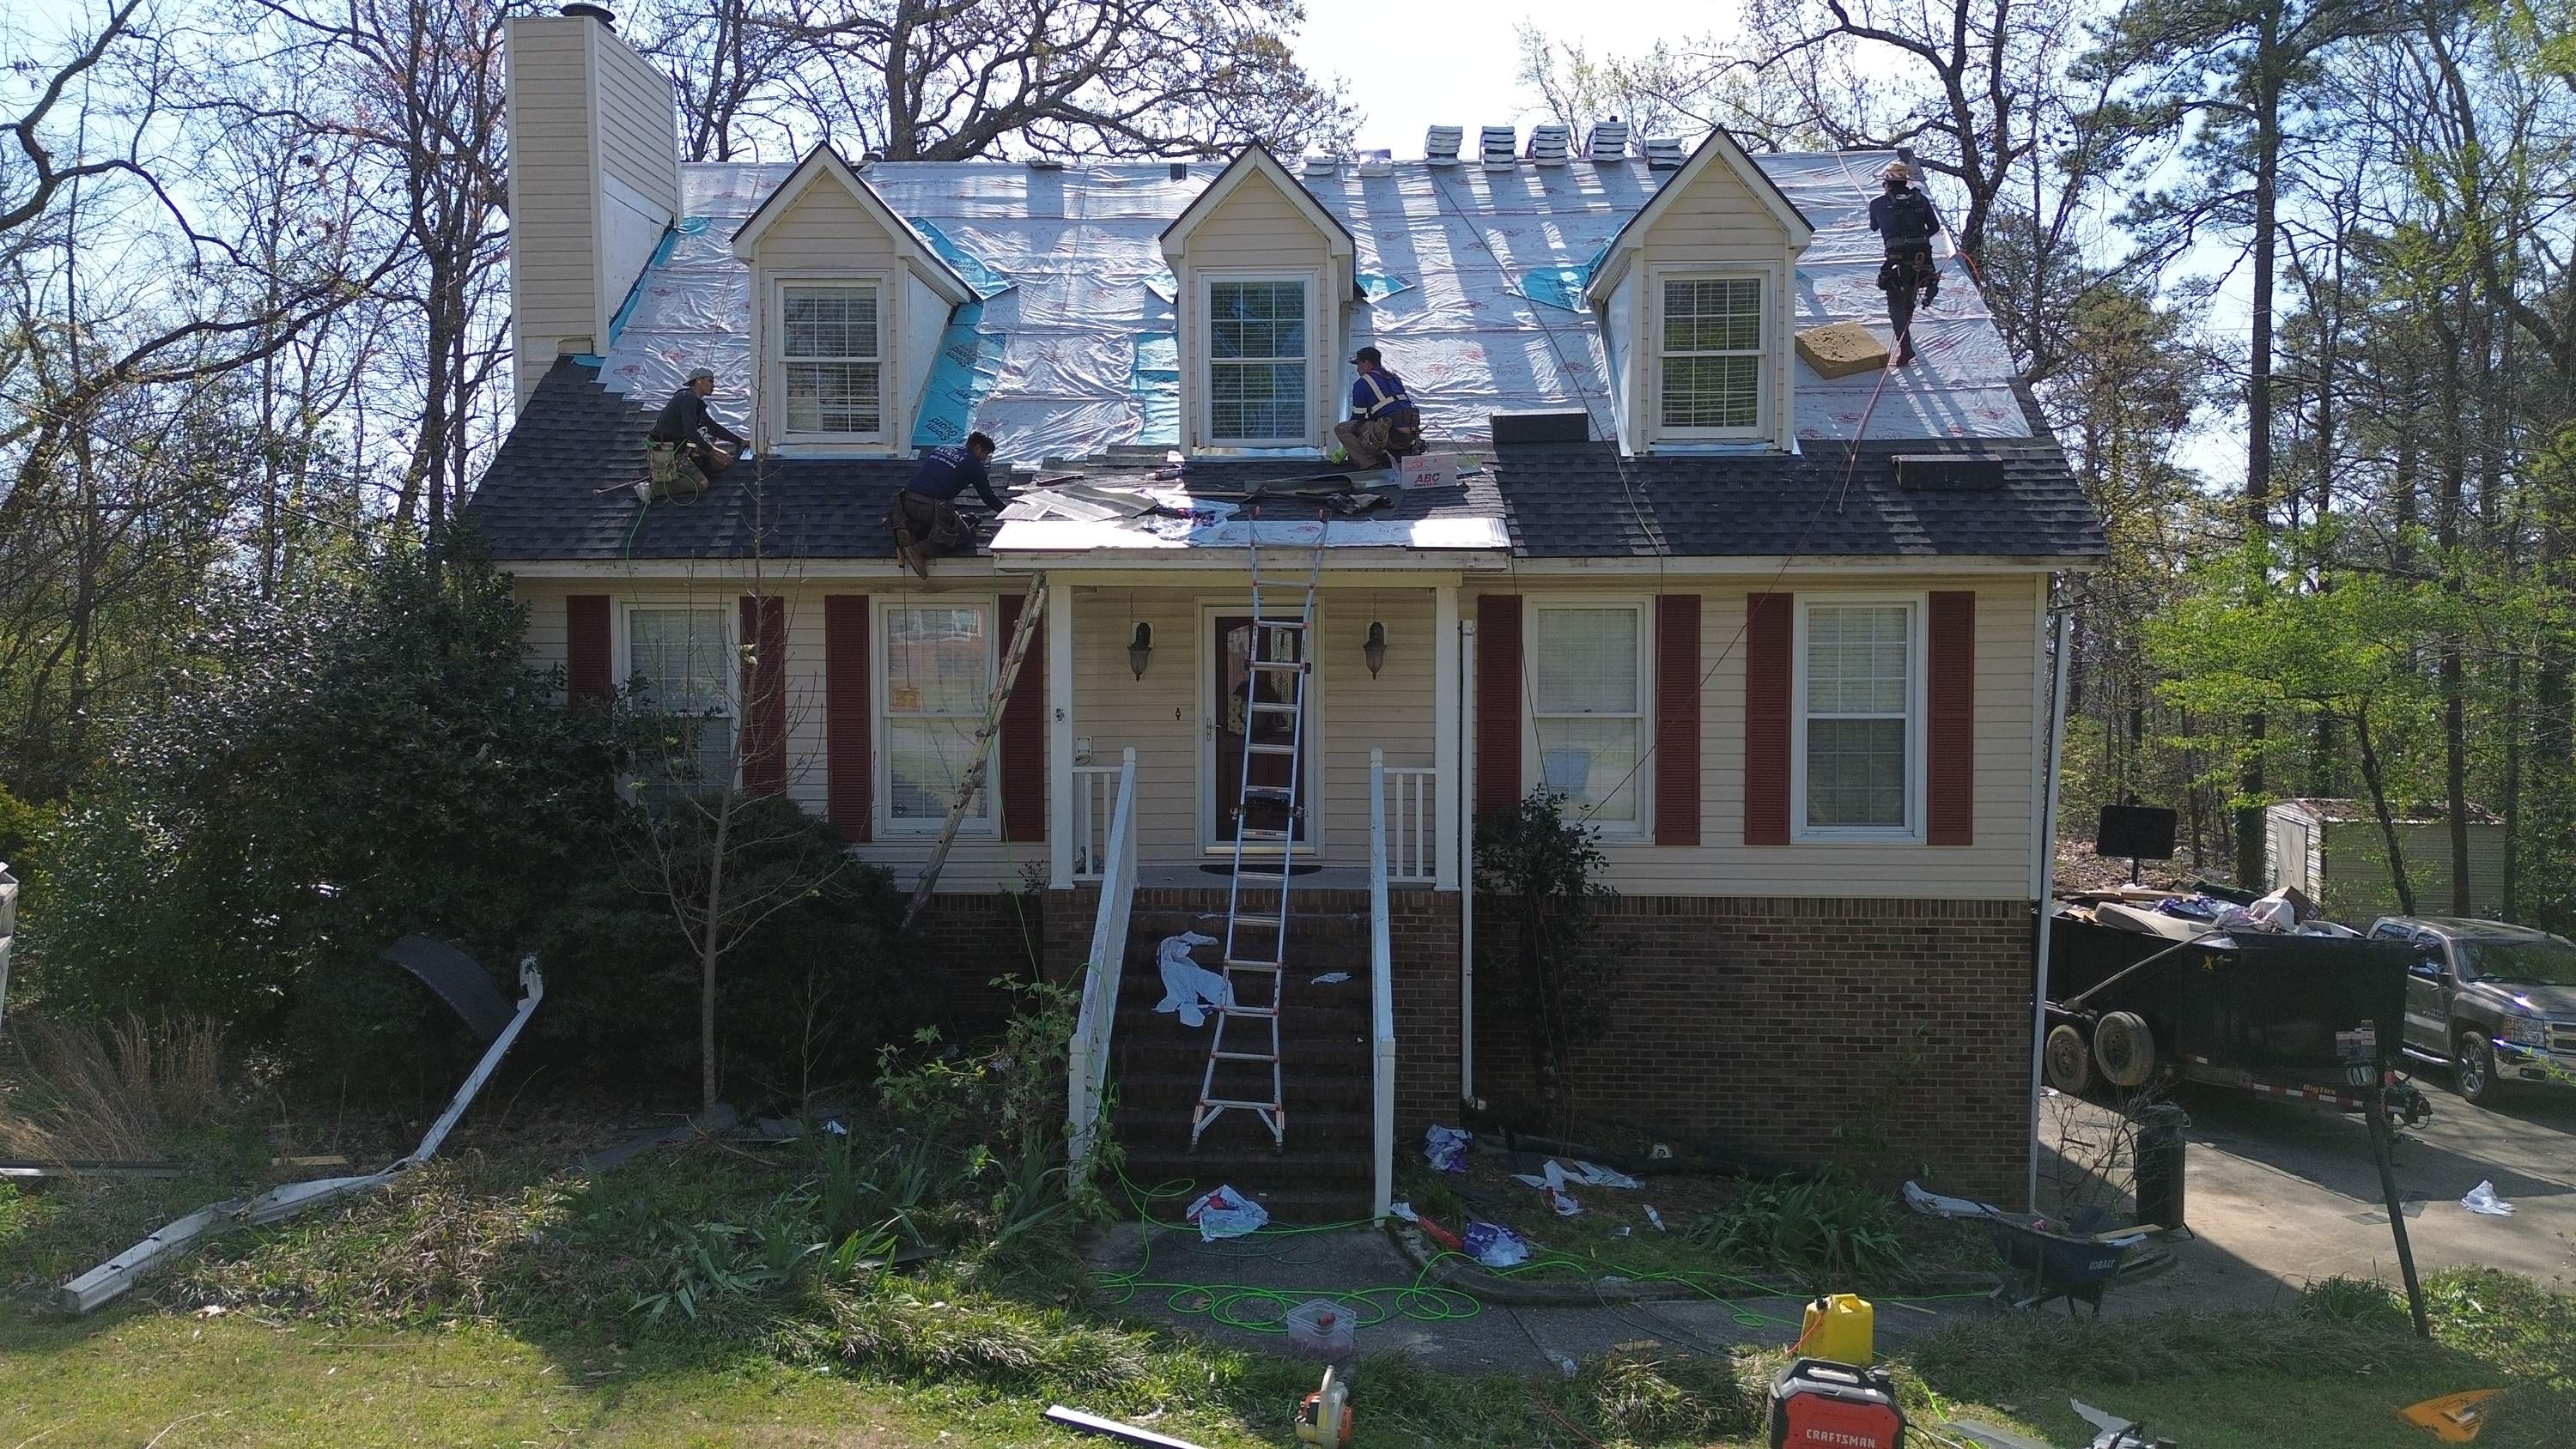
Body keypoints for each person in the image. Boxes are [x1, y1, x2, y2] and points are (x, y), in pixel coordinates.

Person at [884, 431, 1005, 579]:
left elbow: (936, 476)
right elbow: (988, 498)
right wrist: (1009, 513)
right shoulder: (974, 466)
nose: (985, 459)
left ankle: (911, 531)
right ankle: (919, 550)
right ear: (978, 448)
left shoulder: (942, 448)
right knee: (962, 535)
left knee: (930, 524)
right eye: (985, 454)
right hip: (930, 508)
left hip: (905, 502)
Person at [1868, 161, 1942, 367]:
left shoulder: (1878, 203)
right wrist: (1917, 237)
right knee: (1910, 294)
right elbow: (1934, 227)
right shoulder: (1921, 199)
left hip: (1897, 261)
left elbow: (1874, 226)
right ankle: (1921, 296)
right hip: (1923, 258)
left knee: (1895, 307)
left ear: (1887, 183)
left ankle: (1906, 347)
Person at [643, 367, 746, 500]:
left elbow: (712, 427)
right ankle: (652, 489)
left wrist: (740, 441)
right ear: (699, 381)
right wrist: (713, 451)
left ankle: (695, 468)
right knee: (701, 484)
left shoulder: (692, 400)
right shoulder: (688, 399)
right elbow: (690, 432)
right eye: (710, 381)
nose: (713, 386)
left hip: (680, 446)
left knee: (721, 463)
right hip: (668, 450)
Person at [1332, 346, 1424, 470]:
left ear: (1366, 363)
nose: (1357, 369)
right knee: (1373, 424)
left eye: (1358, 364)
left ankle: (1369, 464)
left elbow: (1357, 419)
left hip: (1391, 433)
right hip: (1410, 435)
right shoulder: (1394, 378)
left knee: (1342, 429)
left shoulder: (1362, 383)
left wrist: (1346, 449)